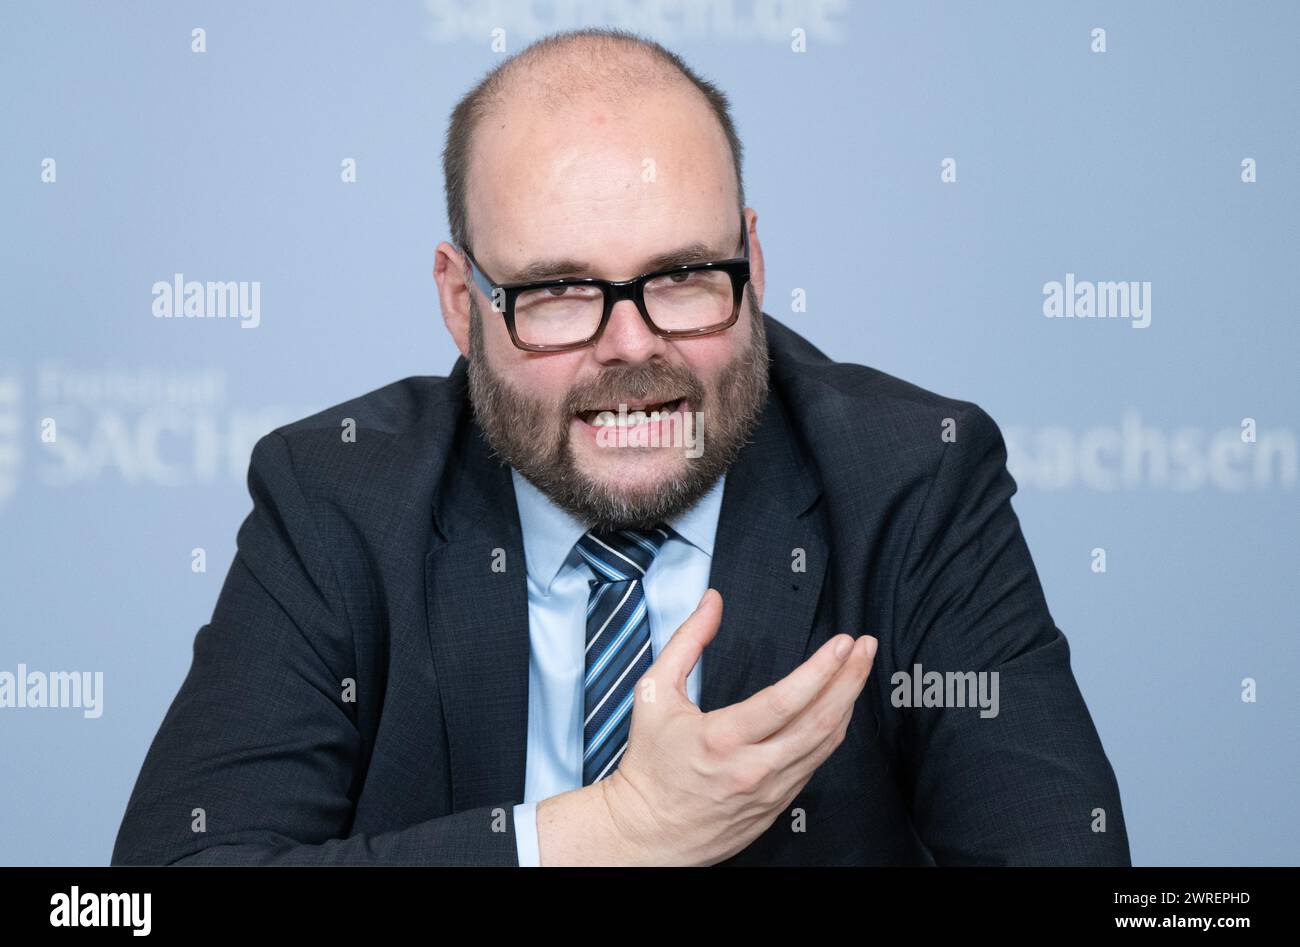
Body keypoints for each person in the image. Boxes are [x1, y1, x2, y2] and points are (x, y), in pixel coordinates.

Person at [112, 28, 1130, 866]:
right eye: (559, 292)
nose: (633, 345)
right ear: (462, 303)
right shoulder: (336, 496)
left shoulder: (914, 481)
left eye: (685, 273)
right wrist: (605, 832)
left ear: (754, 259)